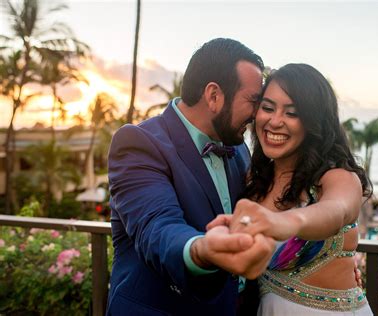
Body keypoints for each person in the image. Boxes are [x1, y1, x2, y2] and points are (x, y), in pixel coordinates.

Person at [106, 38, 275, 315]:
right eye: (253, 101)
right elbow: (157, 228)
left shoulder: (239, 147)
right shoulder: (139, 143)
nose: (258, 114)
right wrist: (201, 249)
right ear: (213, 96)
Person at [208, 63, 373, 315]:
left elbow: (337, 210)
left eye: (292, 113)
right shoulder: (255, 178)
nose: (274, 121)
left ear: (313, 121)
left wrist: (288, 221)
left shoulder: (337, 177)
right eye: (267, 108)